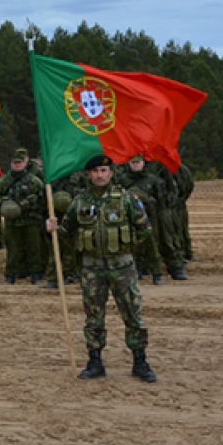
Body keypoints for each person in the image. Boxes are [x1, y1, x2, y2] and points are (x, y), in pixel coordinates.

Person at [47, 154, 157, 382]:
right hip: (92, 269)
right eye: (95, 171)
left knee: (132, 315)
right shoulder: (79, 202)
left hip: (122, 268)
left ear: (111, 173)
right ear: (88, 174)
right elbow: (66, 232)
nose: (99, 175)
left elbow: (145, 229)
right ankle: (95, 362)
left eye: (103, 171)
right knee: (93, 317)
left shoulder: (125, 199)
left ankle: (140, 362)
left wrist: (126, 247)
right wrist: (51, 228)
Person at [0, 148, 45, 284]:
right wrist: (5, 204)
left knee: (34, 248)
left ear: (25, 163)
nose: (17, 165)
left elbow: (43, 198)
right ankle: (10, 276)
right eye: (15, 163)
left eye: (19, 163)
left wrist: (29, 204)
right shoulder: (5, 180)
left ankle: (36, 274)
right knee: (13, 250)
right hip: (12, 222)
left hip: (30, 220)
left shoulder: (34, 181)